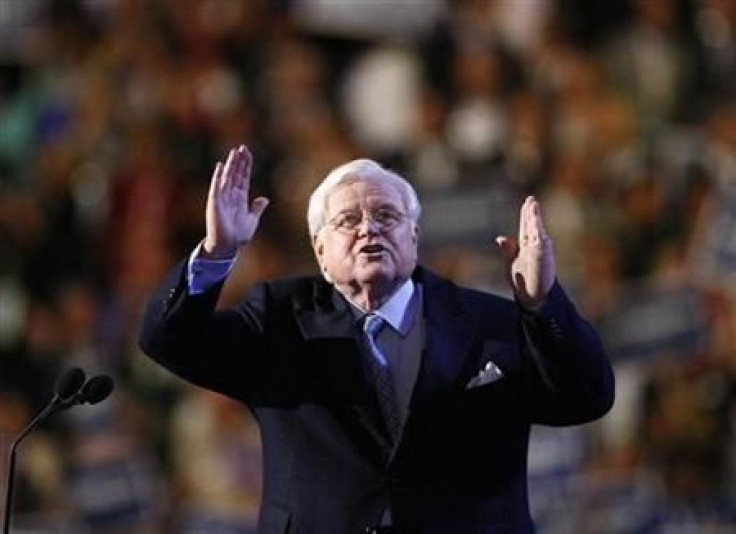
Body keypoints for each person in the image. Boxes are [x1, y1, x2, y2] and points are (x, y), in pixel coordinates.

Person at [139, 145, 615, 533]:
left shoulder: (491, 322)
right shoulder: (278, 320)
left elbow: (587, 399)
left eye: (386, 215)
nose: (368, 228)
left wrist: (541, 304)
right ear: (320, 252)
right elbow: (167, 341)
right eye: (347, 220)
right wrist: (217, 255)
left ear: (414, 236)